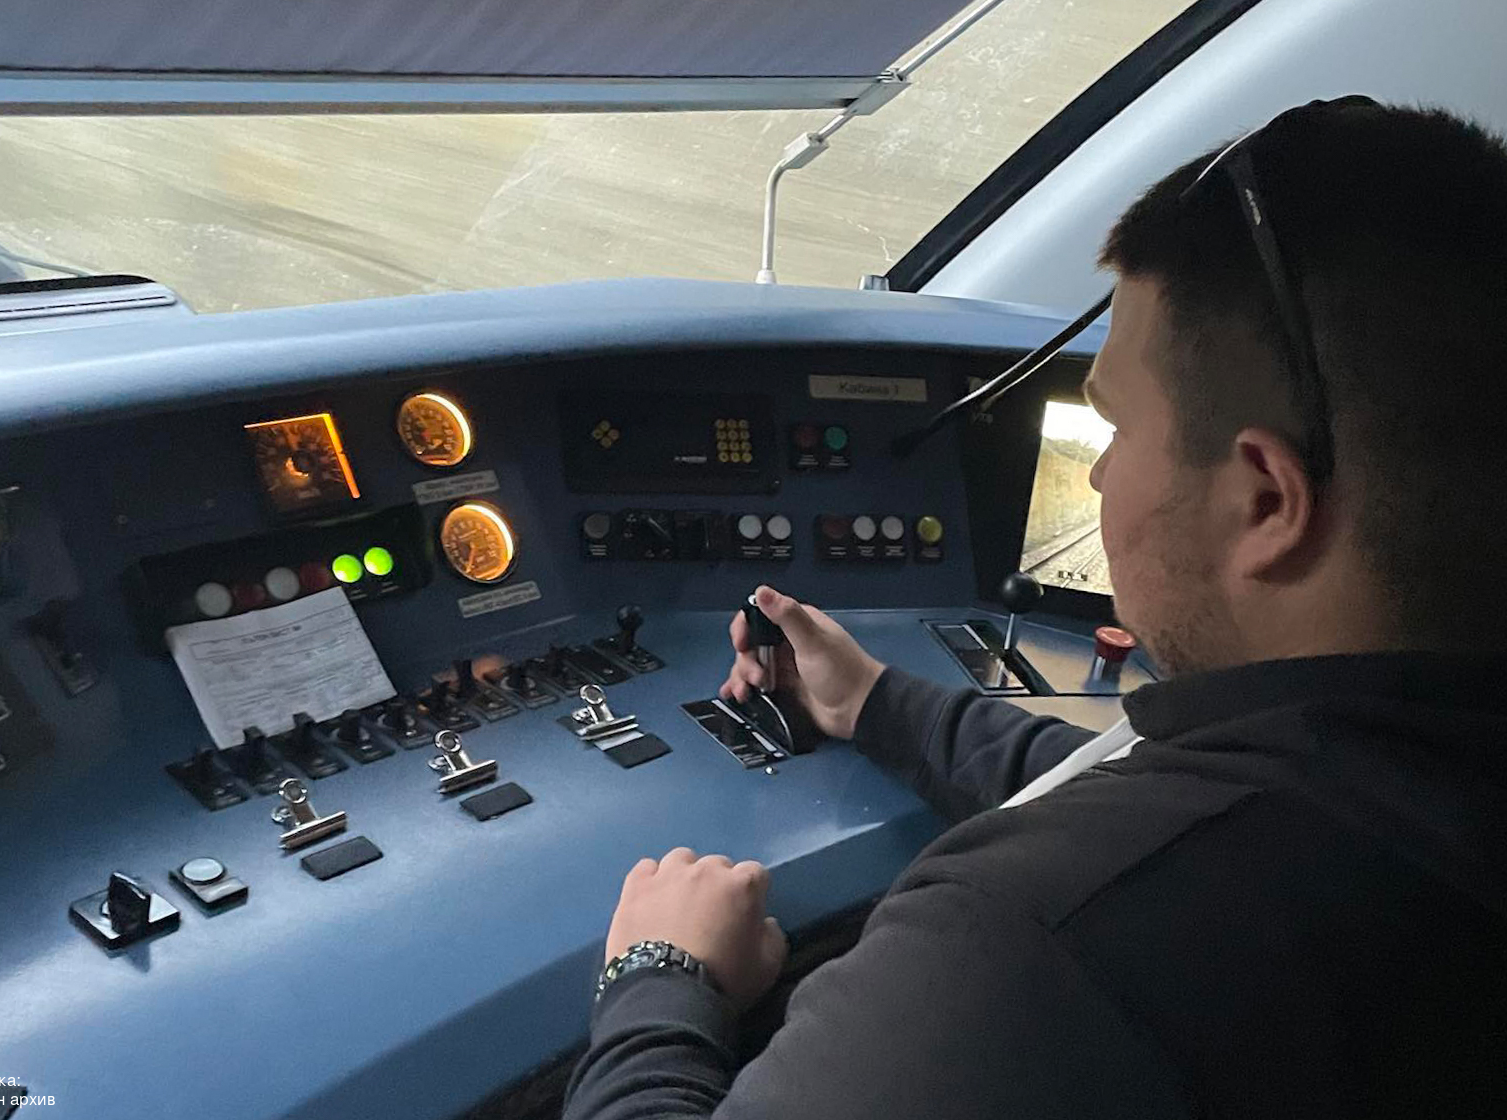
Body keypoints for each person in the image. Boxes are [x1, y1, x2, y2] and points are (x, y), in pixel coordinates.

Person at [562, 98, 1507, 1118]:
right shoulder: (1402, 768)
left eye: (1117, 428)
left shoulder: (1027, 950)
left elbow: (1140, 862)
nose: (1099, 475)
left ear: (1265, 501)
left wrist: (656, 981)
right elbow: (1150, 792)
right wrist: (874, 700)